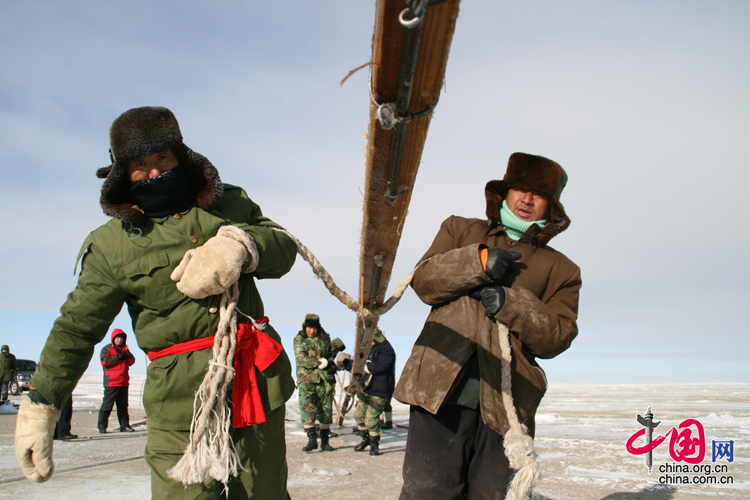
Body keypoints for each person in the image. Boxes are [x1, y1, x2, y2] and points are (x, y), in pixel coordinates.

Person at [15, 106, 298, 499]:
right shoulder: (111, 246)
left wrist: (244, 244)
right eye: (140, 164)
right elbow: (77, 328)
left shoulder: (230, 205)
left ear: (181, 157)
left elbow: (284, 248)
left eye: (162, 158)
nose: (154, 172)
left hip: (255, 389)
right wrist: (41, 405)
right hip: (179, 406)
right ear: (121, 173)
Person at [395, 153, 581, 499]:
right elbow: (424, 281)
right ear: (506, 191)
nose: (527, 200)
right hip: (438, 388)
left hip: (508, 406)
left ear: (551, 207)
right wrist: (477, 261)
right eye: (521, 189)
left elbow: (557, 338)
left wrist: (514, 305)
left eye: (538, 194)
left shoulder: (563, 270)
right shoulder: (459, 229)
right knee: (427, 492)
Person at [345, 329, 396, 456]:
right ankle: (365, 439)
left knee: (372, 419)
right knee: (359, 416)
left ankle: (374, 445)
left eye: (371, 341)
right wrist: (349, 364)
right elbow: (359, 361)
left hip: (380, 389)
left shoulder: (387, 350)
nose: (370, 343)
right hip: (367, 388)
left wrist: (367, 366)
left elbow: (382, 366)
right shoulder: (368, 349)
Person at [294, 314, 337, 452]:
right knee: (307, 408)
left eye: (314, 328)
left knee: (325, 410)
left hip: (324, 379)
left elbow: (330, 353)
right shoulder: (299, 339)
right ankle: (312, 440)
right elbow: (302, 359)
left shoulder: (325, 338)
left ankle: (325, 441)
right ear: (305, 327)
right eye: (309, 328)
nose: (312, 331)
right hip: (307, 379)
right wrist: (320, 362)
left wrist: (330, 362)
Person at [98, 328, 136, 433]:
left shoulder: (125, 349)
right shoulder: (107, 349)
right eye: (117, 338)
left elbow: (132, 361)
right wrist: (118, 357)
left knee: (123, 406)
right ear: (113, 338)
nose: (119, 340)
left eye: (121, 338)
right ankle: (102, 426)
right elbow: (105, 361)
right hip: (112, 382)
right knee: (107, 405)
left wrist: (126, 354)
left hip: (123, 382)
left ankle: (124, 426)